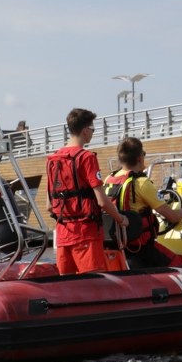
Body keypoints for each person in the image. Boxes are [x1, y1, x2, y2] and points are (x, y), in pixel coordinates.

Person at [46, 108, 128, 275]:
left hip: (63, 235)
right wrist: (121, 219)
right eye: (92, 129)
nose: (92, 133)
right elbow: (102, 201)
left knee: (66, 287)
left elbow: (49, 205)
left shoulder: (53, 160)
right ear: (85, 131)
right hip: (86, 235)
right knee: (93, 284)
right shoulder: (87, 158)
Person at [105, 137, 182, 269]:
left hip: (119, 246)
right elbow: (172, 217)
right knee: (179, 266)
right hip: (142, 248)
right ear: (140, 158)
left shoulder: (109, 179)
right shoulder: (141, 183)